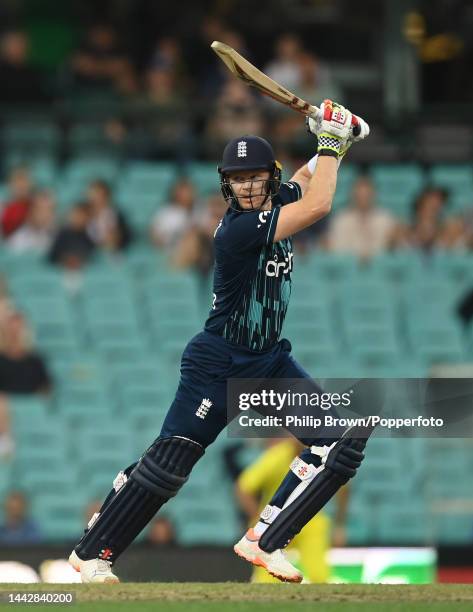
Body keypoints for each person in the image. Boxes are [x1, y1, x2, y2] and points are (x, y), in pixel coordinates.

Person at [68, 99, 371, 584]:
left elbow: (308, 180)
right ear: (224, 183)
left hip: (268, 362)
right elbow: (320, 203)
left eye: (255, 177)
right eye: (237, 178)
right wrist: (334, 140)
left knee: (343, 436)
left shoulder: (277, 202)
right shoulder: (239, 230)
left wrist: (333, 139)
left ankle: (264, 540)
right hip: (219, 362)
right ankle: (92, 554)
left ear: (270, 178)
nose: (247, 187)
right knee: (170, 464)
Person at [236, 438, 349, 583]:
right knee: (266, 581)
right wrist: (258, 518)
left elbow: (344, 489)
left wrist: (340, 525)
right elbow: (243, 488)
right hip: (275, 521)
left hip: (310, 521)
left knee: (319, 576)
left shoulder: (325, 456)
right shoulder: (277, 456)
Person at [328, 176, 397, 260]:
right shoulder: (341, 219)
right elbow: (338, 250)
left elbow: (389, 250)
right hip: (348, 269)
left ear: (373, 195)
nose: (363, 199)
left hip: (380, 268)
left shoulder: (386, 218)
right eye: (360, 195)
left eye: (367, 195)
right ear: (353, 195)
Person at [6, 190, 57, 255]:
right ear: (31, 212)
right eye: (41, 209)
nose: (46, 215)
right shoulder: (18, 240)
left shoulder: (56, 236)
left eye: (50, 209)